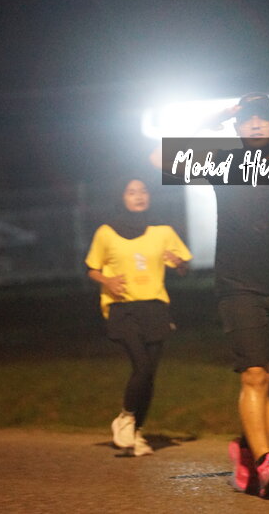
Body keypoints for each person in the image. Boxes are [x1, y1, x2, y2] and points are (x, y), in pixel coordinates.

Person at [155, 93, 269, 497]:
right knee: (254, 374)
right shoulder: (222, 162)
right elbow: (160, 158)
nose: (255, 124)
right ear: (237, 127)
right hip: (237, 286)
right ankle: (266, 462)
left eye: (263, 118)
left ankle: (248, 450)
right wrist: (206, 122)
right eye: (247, 119)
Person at [85, 178, 192, 456]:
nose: (139, 196)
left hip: (155, 307)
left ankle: (136, 432)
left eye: (143, 191)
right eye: (131, 192)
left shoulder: (162, 231)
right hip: (123, 308)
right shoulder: (106, 232)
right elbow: (92, 269)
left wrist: (180, 264)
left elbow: (183, 267)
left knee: (149, 374)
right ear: (121, 197)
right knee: (141, 366)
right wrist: (107, 281)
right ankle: (125, 418)